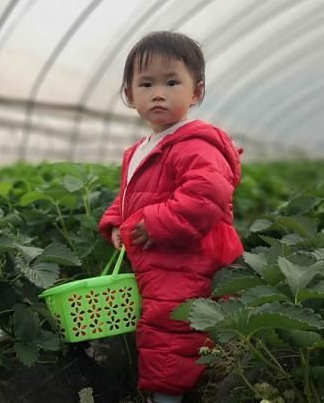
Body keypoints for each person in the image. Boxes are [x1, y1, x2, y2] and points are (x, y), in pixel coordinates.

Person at [98, 31, 243, 403]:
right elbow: (132, 194)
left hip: (187, 257)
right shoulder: (140, 149)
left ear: (196, 92)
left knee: (170, 325)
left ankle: (167, 394)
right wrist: (116, 221)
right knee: (165, 320)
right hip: (156, 256)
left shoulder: (196, 144)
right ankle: (194, 377)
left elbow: (208, 194)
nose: (158, 93)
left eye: (171, 82)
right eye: (146, 84)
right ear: (130, 96)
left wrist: (157, 223)